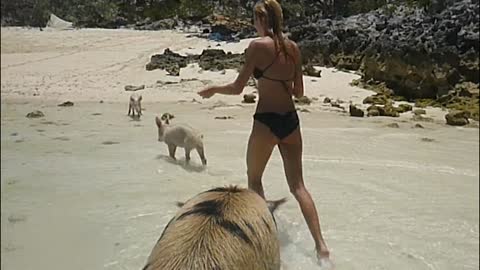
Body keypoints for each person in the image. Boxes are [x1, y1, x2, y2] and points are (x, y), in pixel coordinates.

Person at [198, 0, 331, 263]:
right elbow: (299, 93)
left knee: (254, 179)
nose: (253, 24)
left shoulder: (257, 47)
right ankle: (321, 246)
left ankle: (265, 241)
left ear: (261, 20)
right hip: (291, 121)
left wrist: (213, 89)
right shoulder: (293, 48)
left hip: (266, 121)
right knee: (299, 186)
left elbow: (237, 88)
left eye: (254, 19)